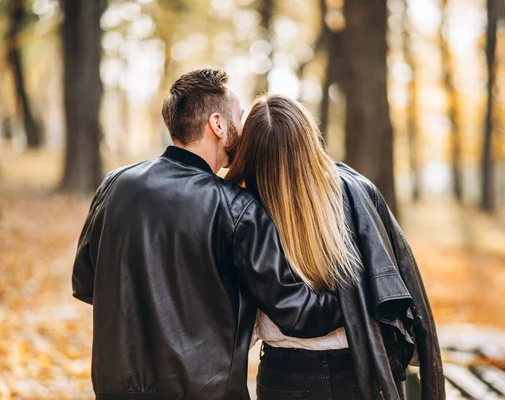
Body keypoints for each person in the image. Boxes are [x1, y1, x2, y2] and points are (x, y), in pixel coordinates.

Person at [71, 70, 344, 400]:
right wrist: (357, 299)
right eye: (239, 118)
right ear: (217, 124)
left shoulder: (115, 185)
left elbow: (85, 282)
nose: (244, 130)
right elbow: (298, 313)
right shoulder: (236, 208)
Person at [226, 94, 445, 400]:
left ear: (251, 150)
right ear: (309, 138)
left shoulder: (240, 208)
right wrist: (361, 298)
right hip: (356, 370)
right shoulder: (355, 192)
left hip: (284, 376)